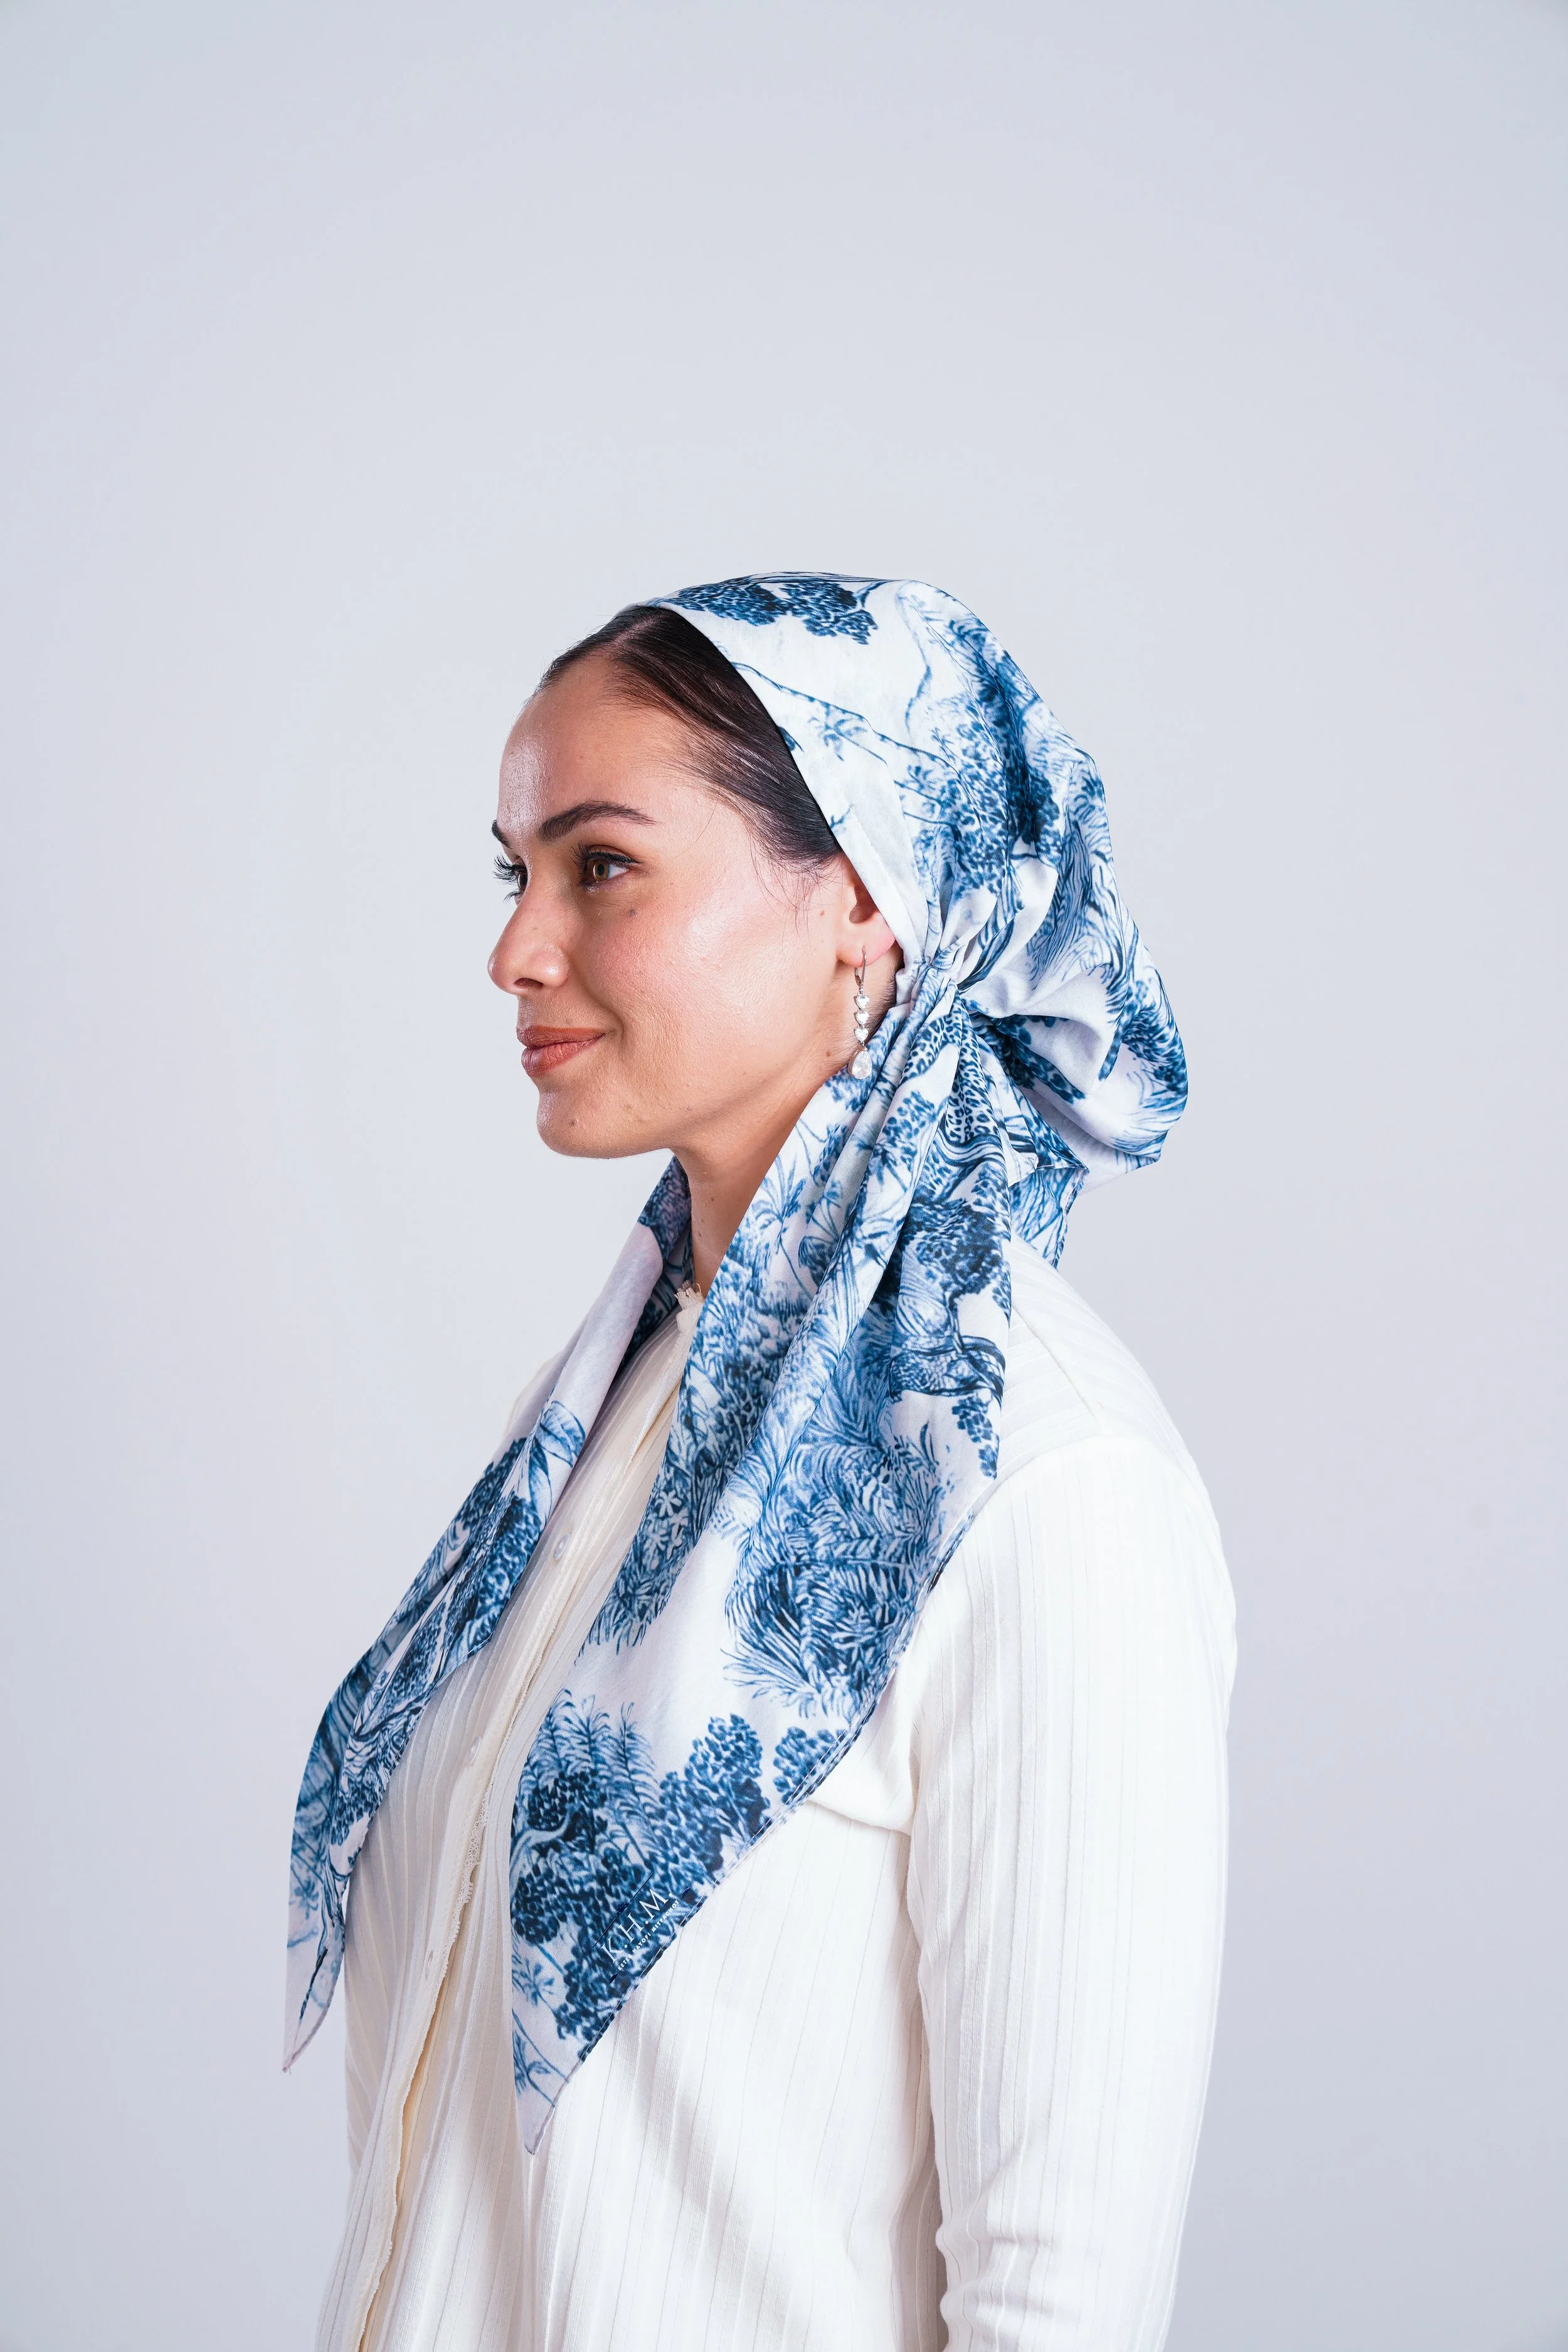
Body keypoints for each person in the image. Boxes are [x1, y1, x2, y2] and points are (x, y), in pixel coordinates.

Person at [286, 573, 1236, 2352]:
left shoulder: (1039, 1480)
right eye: (515, 870)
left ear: (863, 903)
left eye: (601, 865)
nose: (515, 947)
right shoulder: (584, 1425)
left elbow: (1063, 2303)